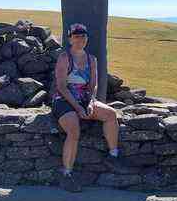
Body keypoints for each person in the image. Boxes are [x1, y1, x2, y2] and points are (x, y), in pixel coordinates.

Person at [51, 22, 123, 192]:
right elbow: (61, 86)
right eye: (76, 36)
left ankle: (113, 156)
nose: (80, 39)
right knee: (73, 129)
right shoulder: (64, 58)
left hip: (85, 98)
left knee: (110, 114)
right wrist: (78, 108)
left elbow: (93, 85)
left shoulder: (92, 59)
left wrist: (90, 103)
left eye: (83, 36)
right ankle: (67, 173)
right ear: (70, 39)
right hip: (64, 99)